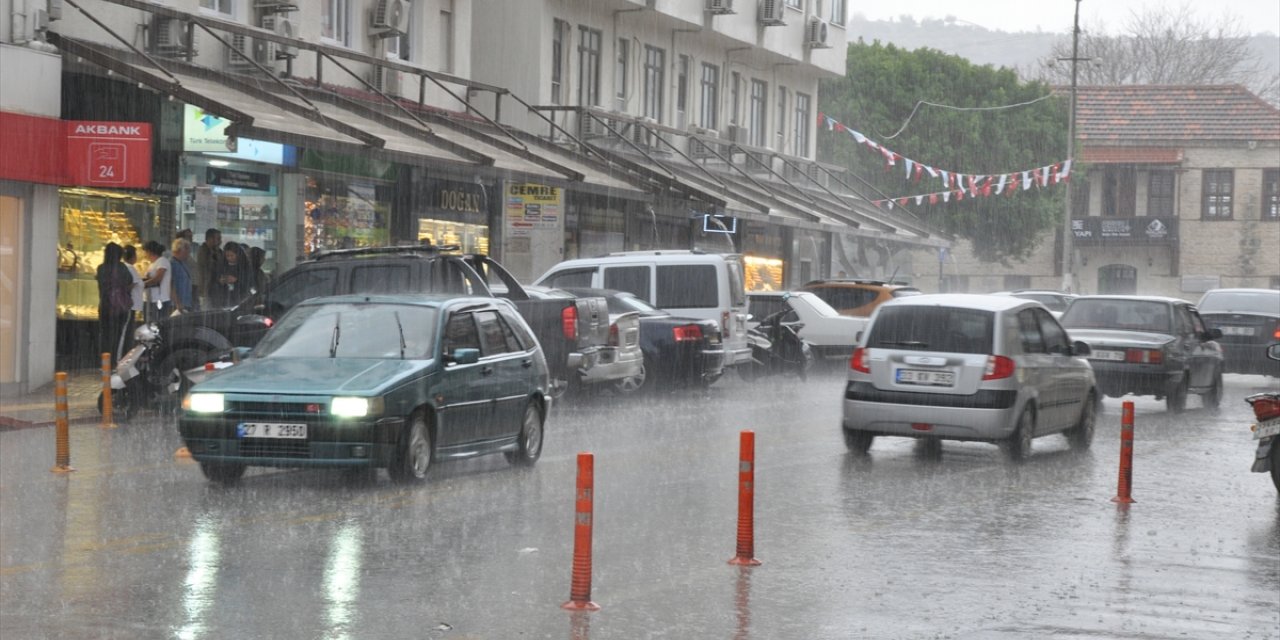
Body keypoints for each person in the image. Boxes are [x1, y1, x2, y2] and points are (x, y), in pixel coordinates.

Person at [95, 243, 133, 365]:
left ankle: (104, 363)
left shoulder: (101, 268)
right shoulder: (122, 268)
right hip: (120, 307)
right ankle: (114, 362)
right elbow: (130, 283)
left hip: (105, 305)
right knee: (118, 336)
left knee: (105, 335)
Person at [212, 242, 252, 308]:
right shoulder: (221, 266)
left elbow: (250, 285)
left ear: (238, 254)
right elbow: (213, 284)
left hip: (241, 301)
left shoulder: (245, 267)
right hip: (224, 301)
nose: (230, 258)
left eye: (232, 255)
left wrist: (237, 281)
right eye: (227, 256)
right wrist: (220, 282)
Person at [142, 240, 173, 320]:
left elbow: (158, 278)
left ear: (149, 252)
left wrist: (143, 284)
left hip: (159, 298)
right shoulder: (152, 264)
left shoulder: (162, 261)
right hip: (150, 298)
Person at [122, 245, 144, 352]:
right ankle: (126, 352)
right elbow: (132, 283)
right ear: (133, 256)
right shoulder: (130, 268)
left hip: (131, 304)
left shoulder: (126, 267)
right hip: (131, 304)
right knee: (128, 330)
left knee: (128, 330)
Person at [196, 228, 223, 309]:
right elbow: (210, 266)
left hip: (216, 291)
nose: (220, 241)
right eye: (218, 239)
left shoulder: (218, 251)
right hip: (206, 290)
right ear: (210, 239)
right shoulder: (204, 251)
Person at [169, 238, 195, 313]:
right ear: (180, 251)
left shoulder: (183, 264)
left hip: (185, 302)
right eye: (187, 252)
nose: (188, 254)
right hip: (177, 304)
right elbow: (171, 284)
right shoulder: (172, 264)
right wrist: (177, 302)